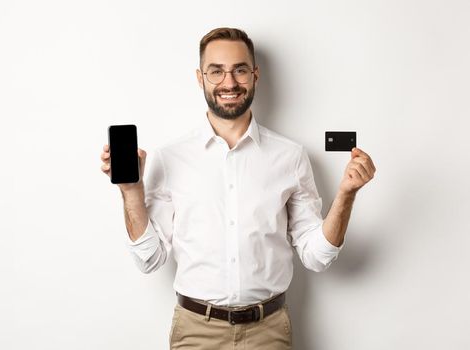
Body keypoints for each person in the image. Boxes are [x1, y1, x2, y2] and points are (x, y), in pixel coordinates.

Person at [98, 27, 376, 349]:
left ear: (255, 75)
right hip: (195, 333)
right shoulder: (170, 158)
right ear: (200, 78)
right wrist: (131, 191)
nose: (229, 83)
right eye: (216, 71)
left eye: (240, 70)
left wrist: (346, 195)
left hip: (269, 332)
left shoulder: (290, 156)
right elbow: (149, 259)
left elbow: (317, 257)